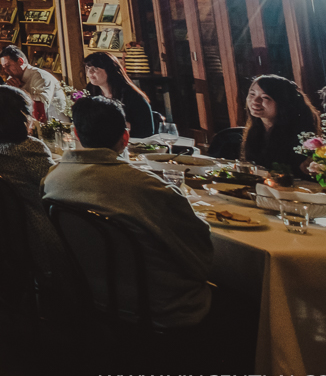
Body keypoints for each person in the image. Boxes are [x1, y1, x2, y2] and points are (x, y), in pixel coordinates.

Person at [42, 95, 213, 328]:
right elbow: (202, 260)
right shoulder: (149, 189)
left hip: (85, 293)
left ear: (76, 134)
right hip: (158, 305)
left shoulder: (53, 178)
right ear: (125, 137)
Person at [0, 85, 55, 210]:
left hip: (2, 217)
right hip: (36, 219)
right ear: (22, 116)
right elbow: (54, 187)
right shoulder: (30, 148)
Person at [234, 74, 319, 177]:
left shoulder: (300, 135)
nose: (255, 101)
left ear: (282, 102)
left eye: (265, 97)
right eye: (252, 94)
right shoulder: (256, 129)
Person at [82, 52, 155, 138]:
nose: (89, 72)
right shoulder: (91, 90)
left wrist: (122, 125)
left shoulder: (132, 96)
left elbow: (147, 130)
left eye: (95, 68)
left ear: (109, 70)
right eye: (87, 68)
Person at [0, 45, 67, 120]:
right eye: (4, 67)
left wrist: (19, 92)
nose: (6, 70)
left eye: (8, 66)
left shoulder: (40, 77)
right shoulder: (12, 78)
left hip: (54, 122)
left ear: (20, 61)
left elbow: (42, 104)